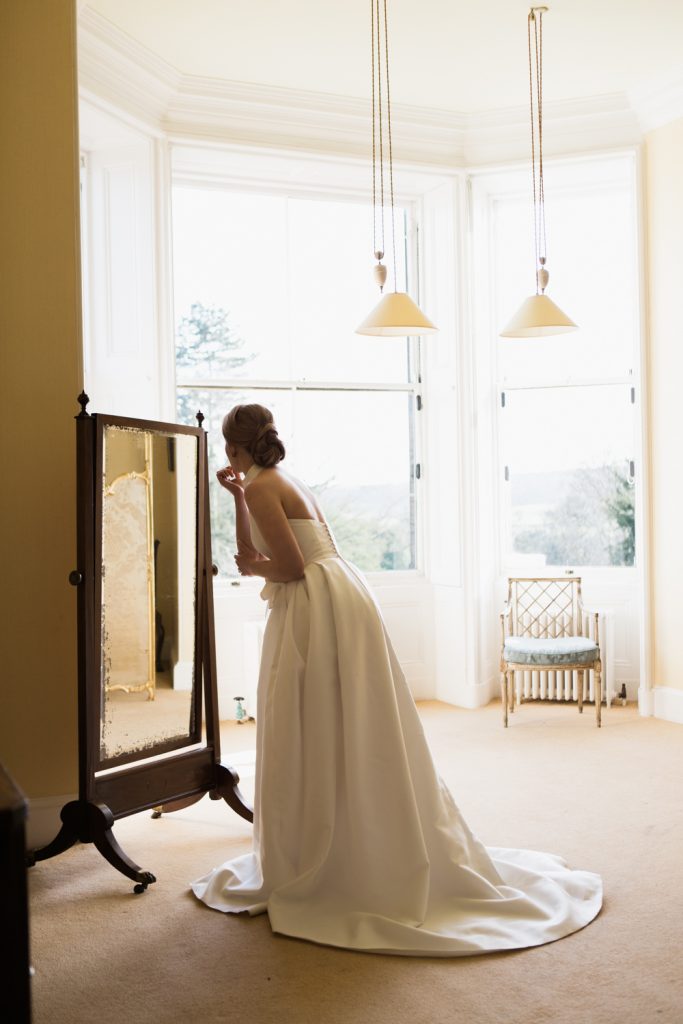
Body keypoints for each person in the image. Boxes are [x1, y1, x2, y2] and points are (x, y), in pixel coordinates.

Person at [191, 403, 602, 956]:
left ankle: (337, 850)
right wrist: (238, 498)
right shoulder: (274, 481)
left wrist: (252, 562)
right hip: (339, 591)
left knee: (310, 719)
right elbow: (270, 550)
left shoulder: (267, 486)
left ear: (232, 445)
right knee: (346, 718)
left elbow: (282, 565)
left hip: (315, 604)